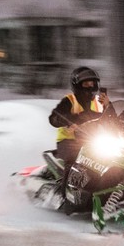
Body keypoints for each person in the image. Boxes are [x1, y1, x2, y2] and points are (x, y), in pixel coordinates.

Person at [47, 66, 111, 210]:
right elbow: (54, 118)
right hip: (69, 142)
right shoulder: (69, 101)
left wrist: (109, 106)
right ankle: (64, 198)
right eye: (86, 84)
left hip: (92, 142)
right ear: (76, 85)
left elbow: (111, 119)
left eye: (92, 84)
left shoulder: (99, 102)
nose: (90, 87)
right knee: (74, 163)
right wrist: (69, 120)